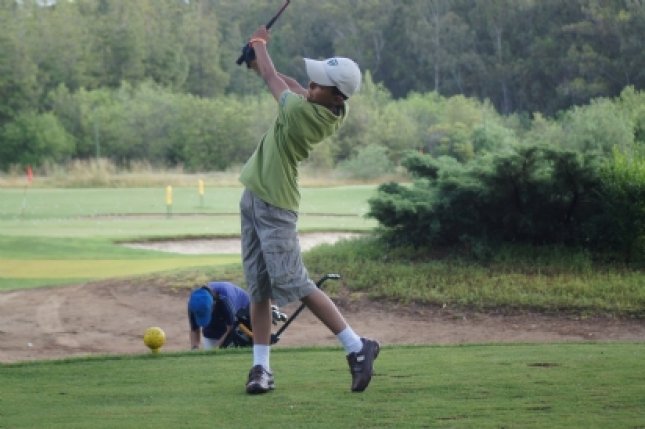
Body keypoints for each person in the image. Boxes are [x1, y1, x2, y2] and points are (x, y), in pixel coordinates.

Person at [238, 25, 380, 395]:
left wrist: (259, 46)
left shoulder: (305, 115)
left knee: (296, 282)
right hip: (255, 198)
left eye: (319, 84)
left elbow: (275, 78)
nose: (310, 85)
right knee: (259, 288)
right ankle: (261, 369)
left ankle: (356, 346)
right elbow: (285, 83)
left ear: (335, 96)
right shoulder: (323, 106)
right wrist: (258, 64)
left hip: (275, 205)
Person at [187, 281, 250, 350]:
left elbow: (231, 327)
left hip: (242, 312)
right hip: (219, 311)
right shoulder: (194, 303)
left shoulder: (226, 298)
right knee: (209, 333)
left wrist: (216, 348)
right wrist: (195, 348)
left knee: (229, 344)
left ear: (213, 305)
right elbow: (194, 328)